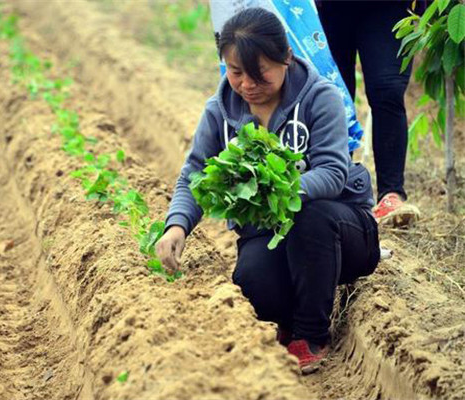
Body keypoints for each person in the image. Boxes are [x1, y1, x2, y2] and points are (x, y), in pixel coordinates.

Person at [156, 8, 380, 374]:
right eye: (235, 72)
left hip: (341, 228)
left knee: (310, 216)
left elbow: (333, 172)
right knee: (253, 284)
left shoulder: (319, 98)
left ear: (286, 58)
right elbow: (194, 174)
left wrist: (274, 187)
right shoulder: (220, 111)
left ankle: (311, 334)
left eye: (259, 73)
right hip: (270, 231)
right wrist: (176, 225)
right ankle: (290, 314)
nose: (246, 84)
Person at [317, 1, 421, 226]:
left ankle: (391, 194)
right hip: (328, 9)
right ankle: (336, 188)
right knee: (331, 94)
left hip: (388, 7)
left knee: (387, 89)